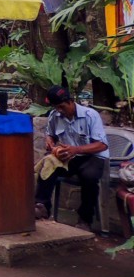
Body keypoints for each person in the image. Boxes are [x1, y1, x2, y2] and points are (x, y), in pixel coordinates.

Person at [33, 85, 109, 231]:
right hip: (69, 156)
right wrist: (50, 143)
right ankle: (41, 206)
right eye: (56, 108)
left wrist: (76, 149)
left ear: (70, 101)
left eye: (61, 106)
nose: (59, 110)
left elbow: (102, 145)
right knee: (48, 164)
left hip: (93, 156)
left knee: (89, 177)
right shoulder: (54, 115)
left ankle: (85, 219)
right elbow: (50, 134)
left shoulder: (90, 115)